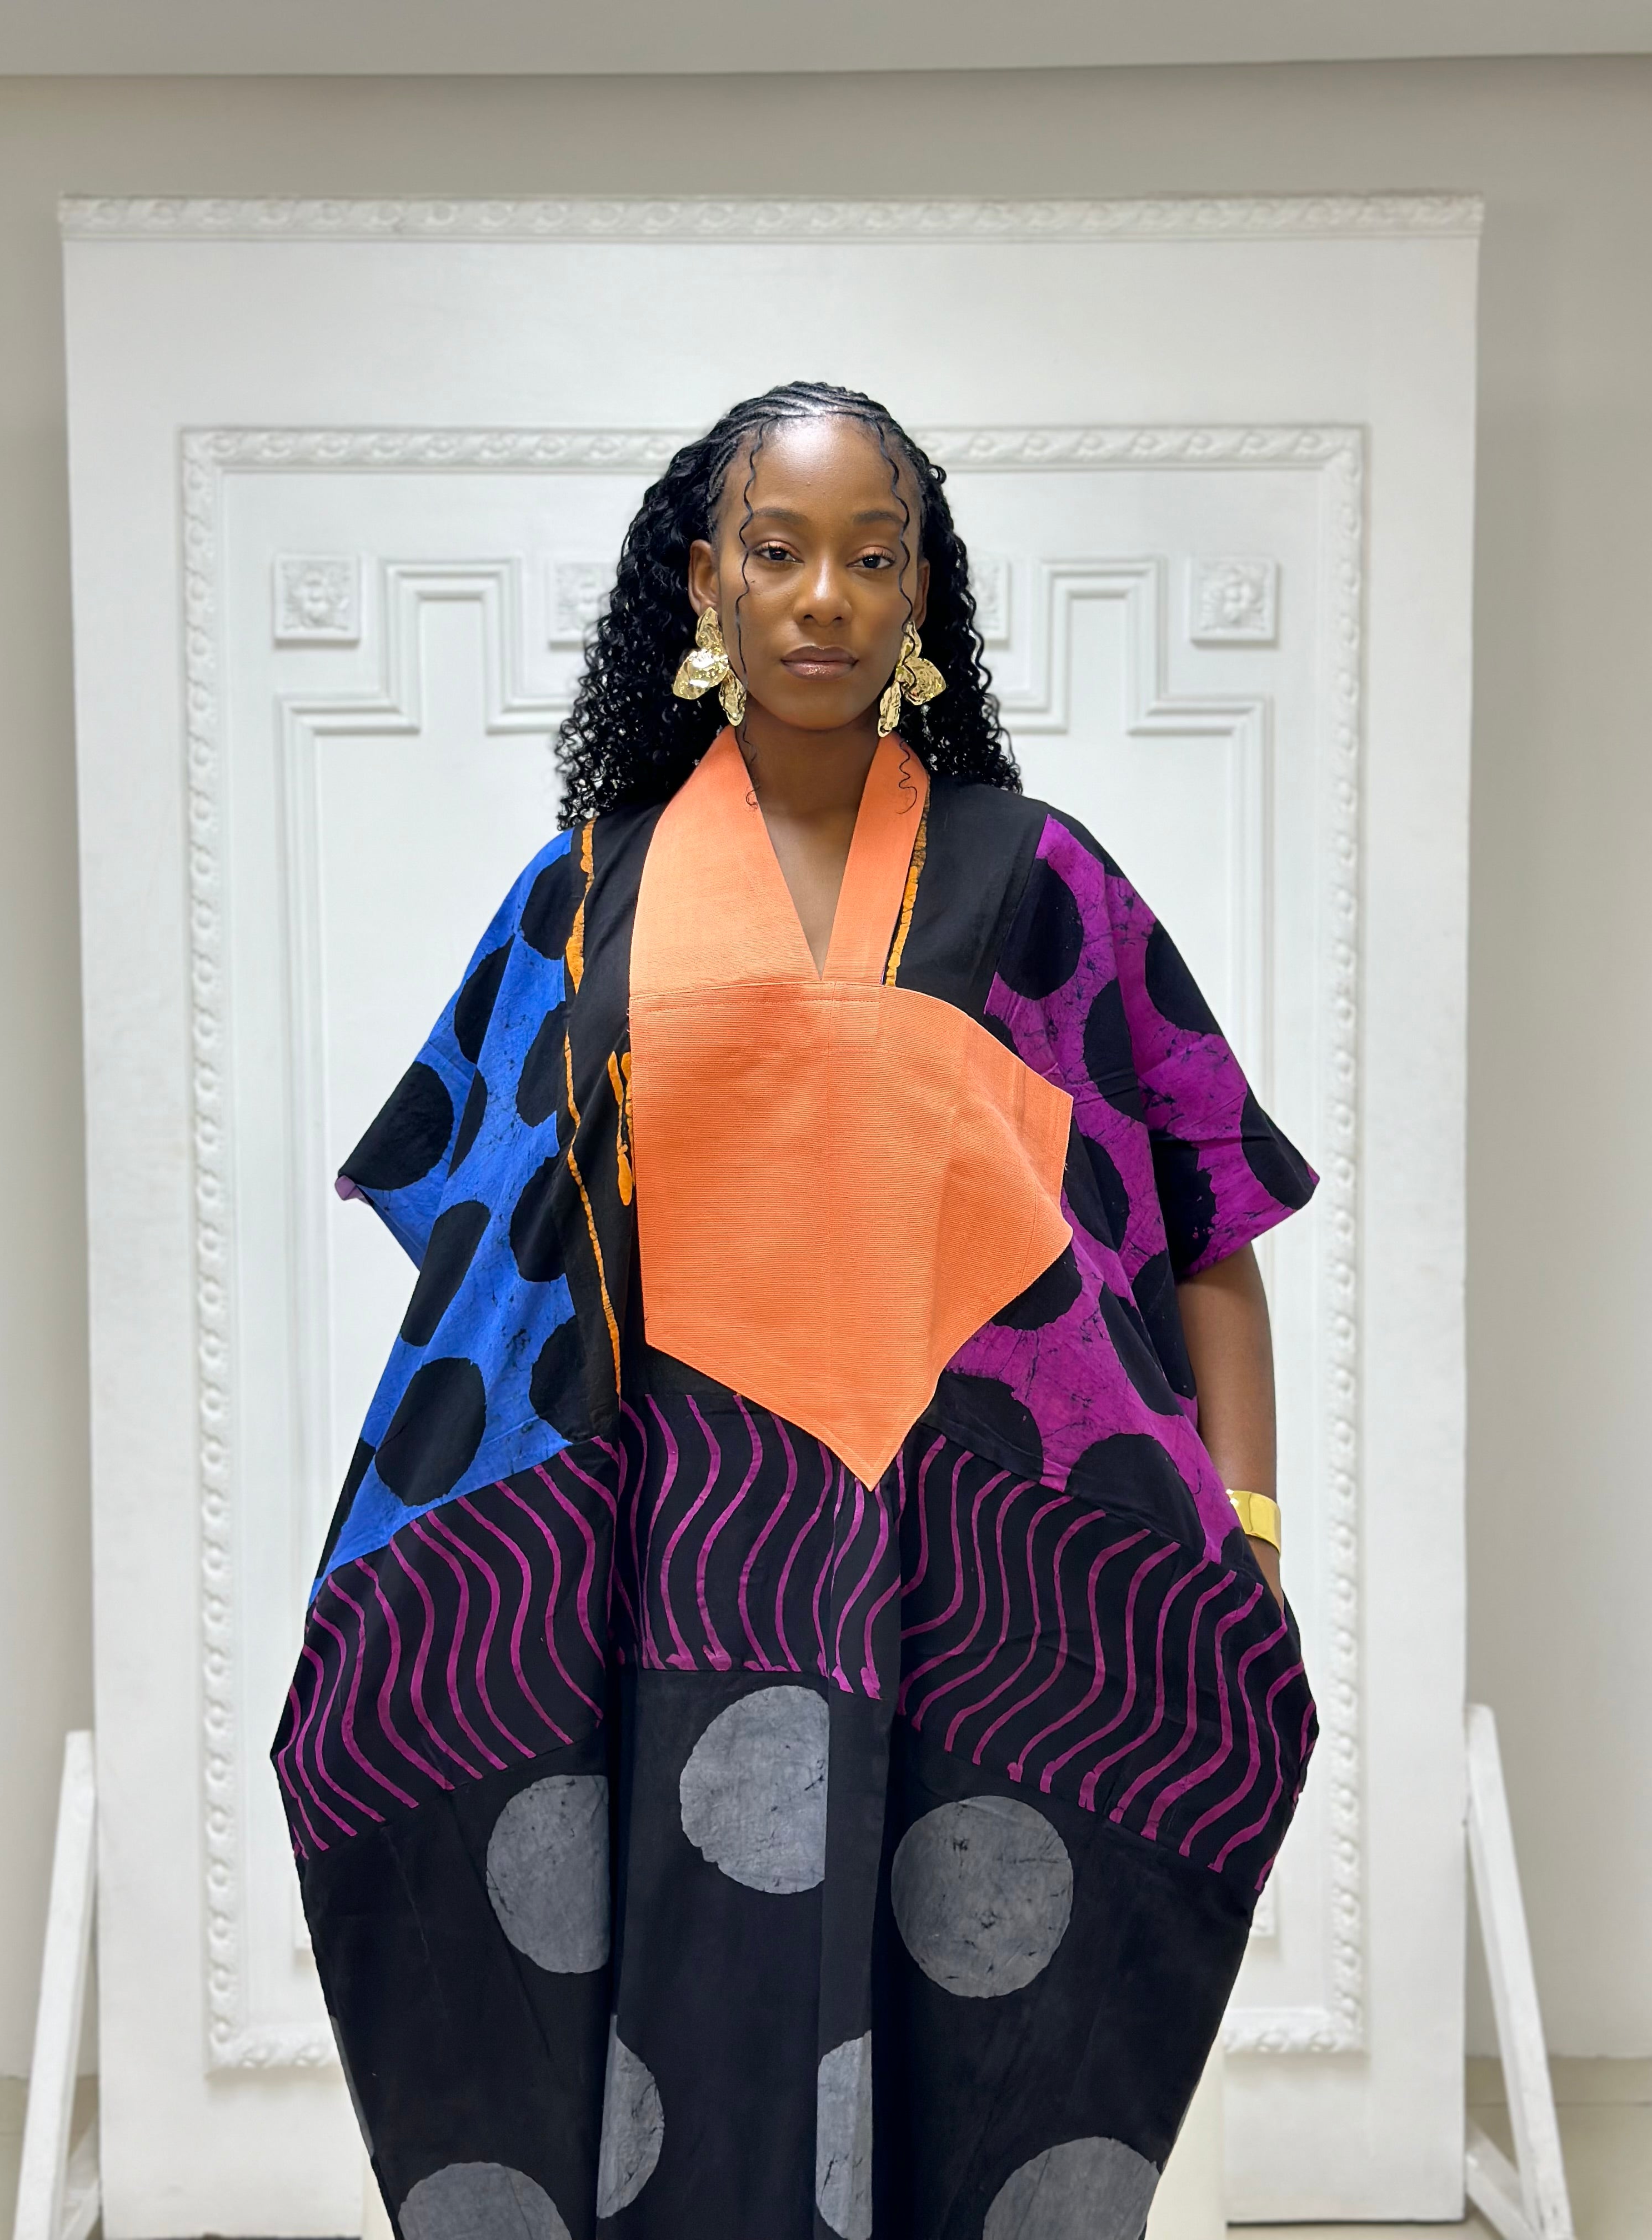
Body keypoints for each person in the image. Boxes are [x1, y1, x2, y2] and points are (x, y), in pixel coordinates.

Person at [274, 380, 1318, 2240]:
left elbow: (1199, 1226)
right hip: (655, 1576)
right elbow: (496, 1270)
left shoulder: (1043, 884)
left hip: (980, 1586)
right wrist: (416, 1570)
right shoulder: (583, 899)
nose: (825, 595)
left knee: (967, 1988)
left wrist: (1243, 1530)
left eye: (871, 554)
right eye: (779, 551)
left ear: (921, 593)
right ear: (708, 584)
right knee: (676, 2019)